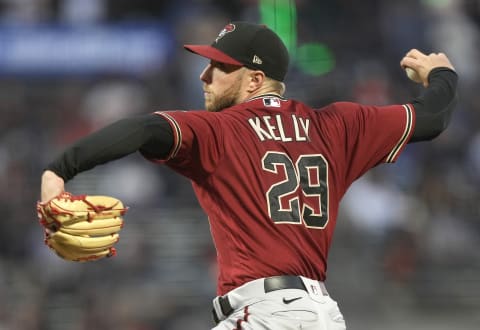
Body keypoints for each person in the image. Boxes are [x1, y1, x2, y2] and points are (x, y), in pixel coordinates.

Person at [40, 21, 457, 329]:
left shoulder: (221, 130)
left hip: (265, 314)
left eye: (220, 67)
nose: (205, 76)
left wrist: (60, 169)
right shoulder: (339, 125)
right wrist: (441, 74)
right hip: (317, 315)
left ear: (255, 79)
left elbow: (143, 129)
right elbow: (432, 117)